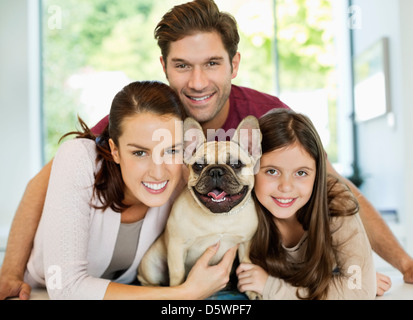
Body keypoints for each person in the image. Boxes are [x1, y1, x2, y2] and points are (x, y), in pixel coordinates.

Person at [0, 0, 408, 299]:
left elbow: (331, 189)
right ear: (164, 67)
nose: (197, 82)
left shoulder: (265, 115)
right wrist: (10, 272)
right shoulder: (148, 117)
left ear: (235, 64)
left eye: (212, 63)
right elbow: (48, 182)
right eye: (182, 65)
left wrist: (398, 262)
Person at [19, 81, 238, 300]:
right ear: (115, 150)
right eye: (140, 153)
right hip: (38, 293)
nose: (158, 172)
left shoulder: (186, 177)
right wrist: (184, 293)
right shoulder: (79, 158)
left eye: (171, 150)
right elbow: (65, 288)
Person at [237, 109, 376, 299]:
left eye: (301, 173)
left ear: (317, 174)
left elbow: (360, 290)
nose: (286, 187)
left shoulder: (335, 204)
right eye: (271, 171)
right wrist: (336, 287)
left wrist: (271, 287)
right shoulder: (239, 209)